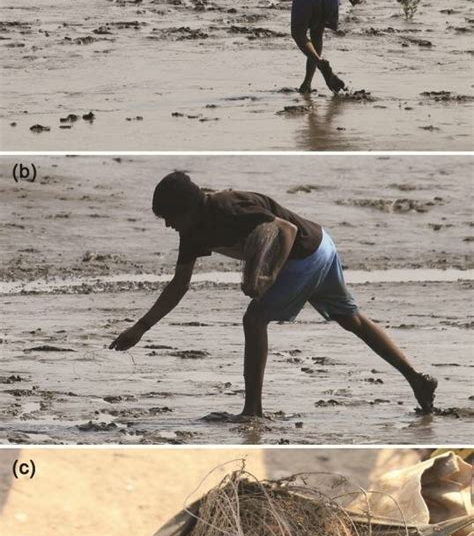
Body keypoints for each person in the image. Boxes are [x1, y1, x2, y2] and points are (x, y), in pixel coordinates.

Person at [109, 171, 438, 418]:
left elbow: (285, 229)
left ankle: (252, 409)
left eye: (170, 218)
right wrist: (141, 327)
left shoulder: (227, 207)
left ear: (189, 208)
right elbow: (179, 285)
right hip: (322, 244)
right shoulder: (193, 232)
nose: (168, 225)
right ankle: (417, 379)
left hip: (302, 253)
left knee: (253, 321)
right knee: (352, 320)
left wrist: (268, 275)